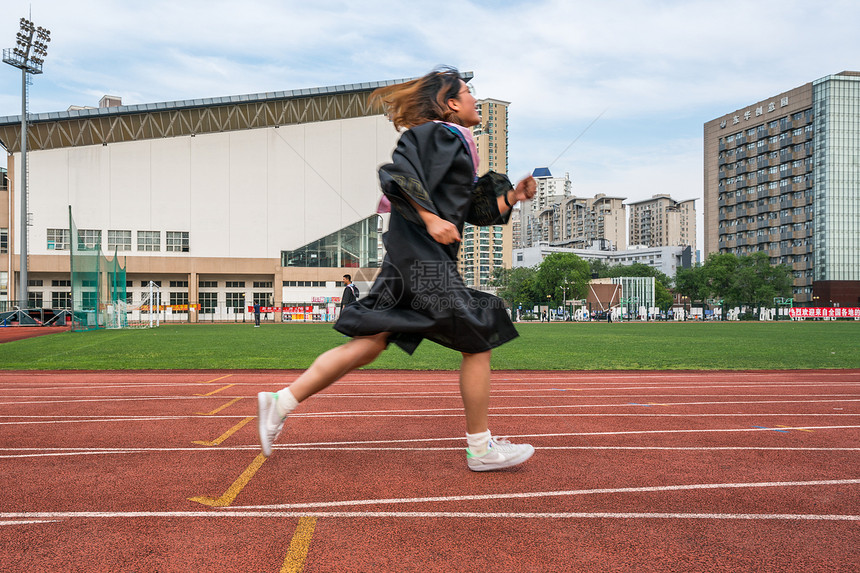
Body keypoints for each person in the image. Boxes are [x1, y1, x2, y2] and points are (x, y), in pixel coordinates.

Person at [257, 67, 537, 472]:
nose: (476, 98)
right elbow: (397, 175)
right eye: (469, 93)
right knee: (479, 336)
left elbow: (475, 208)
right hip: (421, 258)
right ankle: (480, 449)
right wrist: (429, 218)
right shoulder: (436, 134)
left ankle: (279, 403)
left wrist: (512, 195)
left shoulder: (456, 143)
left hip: (409, 259)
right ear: (451, 104)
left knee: (370, 342)